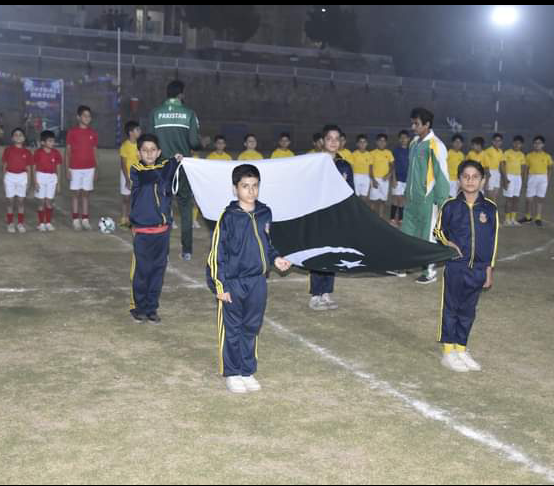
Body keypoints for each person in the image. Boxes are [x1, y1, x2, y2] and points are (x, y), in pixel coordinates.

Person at [207, 164, 291, 394]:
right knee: (232, 328)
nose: (251, 191)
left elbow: (267, 244)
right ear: (235, 189)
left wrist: (275, 259)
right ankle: (232, 372)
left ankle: (247, 370)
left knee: (251, 327)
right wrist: (220, 285)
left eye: (255, 186)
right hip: (233, 282)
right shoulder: (228, 217)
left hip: (257, 281)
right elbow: (216, 254)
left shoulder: (265, 213)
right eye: (245, 186)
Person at [434, 160, 498, 372]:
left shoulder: (490, 208)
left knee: (468, 310)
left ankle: (461, 349)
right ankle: (448, 352)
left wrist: (488, 270)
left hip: (478, 269)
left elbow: (493, 241)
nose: (470, 181)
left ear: (482, 181)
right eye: (466, 177)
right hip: (456, 266)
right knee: (451, 308)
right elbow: (438, 231)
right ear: (459, 180)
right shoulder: (450, 206)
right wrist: (448, 242)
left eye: (475, 177)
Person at [129, 134, 183, 324]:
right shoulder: (137, 170)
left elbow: (166, 175)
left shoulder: (165, 169)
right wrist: (172, 163)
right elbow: (152, 176)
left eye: (153, 150)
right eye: (145, 150)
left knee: (158, 271)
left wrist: (177, 162)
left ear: (159, 152)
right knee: (142, 271)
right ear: (139, 153)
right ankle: (139, 307)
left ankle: (152, 308)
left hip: (162, 232)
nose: (149, 153)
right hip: (143, 232)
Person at [151, 79, 207, 262]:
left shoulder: (155, 113)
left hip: (162, 167)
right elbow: (194, 143)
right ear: (181, 94)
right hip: (183, 165)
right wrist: (203, 143)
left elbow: (149, 142)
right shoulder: (189, 113)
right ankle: (187, 250)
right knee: (185, 207)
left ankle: (163, 251)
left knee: (163, 207)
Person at [309, 124, 354, 311]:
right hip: (318, 216)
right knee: (318, 253)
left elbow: (351, 193)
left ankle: (326, 292)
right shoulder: (314, 163)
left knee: (332, 253)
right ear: (322, 141)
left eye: (337, 139)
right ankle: (315, 295)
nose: (333, 142)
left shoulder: (345, 165)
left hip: (336, 216)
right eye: (329, 138)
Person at [402, 107, 450, 284]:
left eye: (416, 124)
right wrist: (407, 192)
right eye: (412, 123)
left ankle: (429, 271)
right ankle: (405, 264)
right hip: (412, 199)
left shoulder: (436, 145)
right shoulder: (414, 143)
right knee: (407, 234)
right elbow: (411, 171)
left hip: (427, 200)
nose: (413, 127)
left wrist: (442, 201)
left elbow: (442, 175)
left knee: (426, 236)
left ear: (427, 124)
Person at [65, 105, 98, 231]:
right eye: (85, 116)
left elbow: (95, 152)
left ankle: (85, 219)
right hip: (75, 168)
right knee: (76, 193)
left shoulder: (93, 133)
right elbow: (68, 152)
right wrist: (67, 169)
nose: (87, 118)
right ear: (78, 117)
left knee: (86, 194)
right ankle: (75, 219)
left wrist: (96, 168)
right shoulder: (72, 132)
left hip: (89, 168)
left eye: (89, 116)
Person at [2, 128, 33, 233]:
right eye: (16, 135)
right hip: (9, 176)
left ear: (24, 138)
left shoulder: (27, 152)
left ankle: (20, 223)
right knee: (10, 201)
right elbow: (4, 166)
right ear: (12, 138)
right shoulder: (8, 150)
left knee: (21, 201)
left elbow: (29, 168)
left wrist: (29, 181)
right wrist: (4, 179)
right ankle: (10, 223)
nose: (18, 137)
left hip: (22, 177)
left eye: (20, 135)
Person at [519, 135, 552, 227]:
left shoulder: (547, 156)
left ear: (543, 145)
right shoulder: (529, 156)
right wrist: (525, 179)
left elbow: (550, 168)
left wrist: (547, 179)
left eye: (539, 143)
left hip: (543, 178)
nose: (537, 145)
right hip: (532, 177)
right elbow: (526, 169)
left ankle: (538, 217)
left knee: (540, 198)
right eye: (535, 143)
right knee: (529, 198)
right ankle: (528, 216)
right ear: (533, 144)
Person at [33, 130, 62, 232]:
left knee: (49, 201)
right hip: (40, 176)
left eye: (53, 141)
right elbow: (34, 167)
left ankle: (48, 222)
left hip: (52, 178)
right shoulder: (38, 153)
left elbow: (58, 168)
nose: (52, 143)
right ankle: (41, 223)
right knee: (41, 201)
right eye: (50, 141)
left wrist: (58, 183)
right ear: (42, 142)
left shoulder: (56, 153)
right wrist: (35, 182)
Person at [119, 121, 141, 228]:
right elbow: (123, 164)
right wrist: (127, 179)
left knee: (137, 199)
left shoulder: (141, 145)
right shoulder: (125, 146)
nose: (140, 131)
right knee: (126, 198)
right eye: (137, 130)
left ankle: (134, 219)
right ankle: (124, 218)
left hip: (138, 176)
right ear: (131, 132)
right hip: (126, 175)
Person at [501, 135, 525, 227]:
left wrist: (522, 180)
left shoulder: (522, 155)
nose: (517, 145)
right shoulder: (507, 153)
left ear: (521, 145)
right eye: (515, 143)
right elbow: (502, 166)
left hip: (518, 178)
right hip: (509, 176)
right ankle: (507, 220)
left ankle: (513, 219)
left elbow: (523, 168)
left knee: (516, 199)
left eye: (519, 143)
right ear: (513, 143)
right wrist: (505, 179)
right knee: (509, 199)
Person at [369, 133, 394, 219]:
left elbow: (392, 166)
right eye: (380, 141)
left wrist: (388, 174)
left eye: (384, 141)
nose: (382, 143)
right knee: (373, 200)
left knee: (382, 200)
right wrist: (373, 180)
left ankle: (380, 217)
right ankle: (372, 217)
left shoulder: (388, 153)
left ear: (386, 143)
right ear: (376, 142)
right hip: (375, 179)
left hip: (385, 179)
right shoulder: (372, 153)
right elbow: (370, 167)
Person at [390, 130, 410, 227]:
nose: (403, 139)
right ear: (399, 139)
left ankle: (401, 219)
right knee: (396, 198)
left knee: (402, 200)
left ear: (408, 139)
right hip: (397, 178)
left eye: (405, 138)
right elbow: (393, 165)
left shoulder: (411, 150)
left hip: (407, 179)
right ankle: (392, 218)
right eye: (401, 138)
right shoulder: (396, 151)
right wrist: (393, 178)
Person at [483, 133, 504, 203]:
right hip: (490, 172)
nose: (497, 142)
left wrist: (503, 176)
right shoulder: (488, 151)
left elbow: (501, 164)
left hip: (497, 173)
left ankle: (493, 208)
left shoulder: (500, 151)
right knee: (490, 195)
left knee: (495, 195)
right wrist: (487, 175)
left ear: (501, 142)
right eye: (496, 141)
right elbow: (486, 165)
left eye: (499, 141)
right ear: (492, 141)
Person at [351, 134, 371, 200]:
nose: (362, 144)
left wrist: (371, 179)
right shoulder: (353, 154)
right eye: (360, 142)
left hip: (366, 177)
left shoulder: (369, 154)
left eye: (364, 142)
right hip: (356, 176)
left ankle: (362, 207)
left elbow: (370, 167)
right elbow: (351, 166)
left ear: (367, 143)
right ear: (357, 144)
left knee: (364, 197)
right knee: (356, 196)